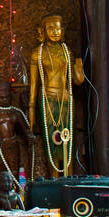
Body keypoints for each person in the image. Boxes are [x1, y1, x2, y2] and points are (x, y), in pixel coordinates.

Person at [28, 14, 84, 177]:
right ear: (43, 32)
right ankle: (54, 178)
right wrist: (31, 110)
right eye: (50, 28)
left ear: (63, 30)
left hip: (66, 99)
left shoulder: (67, 51)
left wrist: (79, 70)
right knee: (51, 144)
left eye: (58, 28)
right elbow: (33, 85)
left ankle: (68, 176)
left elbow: (76, 80)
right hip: (47, 100)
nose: (55, 32)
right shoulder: (37, 53)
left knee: (67, 141)